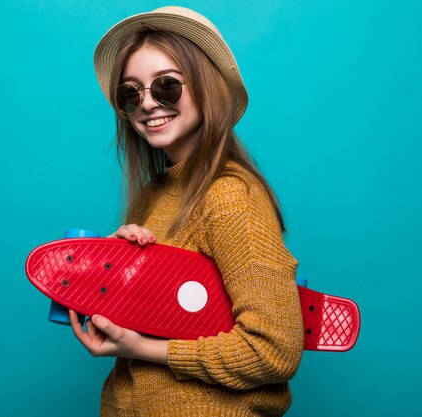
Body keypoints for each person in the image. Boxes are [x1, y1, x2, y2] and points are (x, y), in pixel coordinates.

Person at [68, 6, 304, 416]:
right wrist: (111, 272)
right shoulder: (151, 195)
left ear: (205, 85)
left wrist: (141, 348)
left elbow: (275, 350)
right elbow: (169, 313)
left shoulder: (230, 197)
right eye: (131, 92)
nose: (147, 104)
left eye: (166, 86)